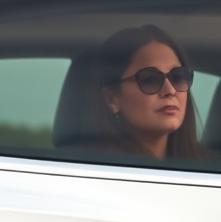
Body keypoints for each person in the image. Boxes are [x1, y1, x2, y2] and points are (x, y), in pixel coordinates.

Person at [89, 24, 210, 161]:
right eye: (150, 80)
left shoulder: (212, 169)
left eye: (178, 77)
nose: (170, 91)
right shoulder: (102, 172)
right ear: (112, 99)